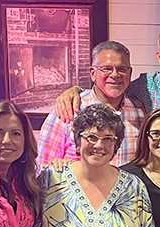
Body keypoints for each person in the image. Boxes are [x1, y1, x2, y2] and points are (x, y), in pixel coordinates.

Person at [37, 40, 146, 168]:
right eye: (107, 69)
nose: (115, 74)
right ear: (93, 74)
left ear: (130, 73)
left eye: (122, 69)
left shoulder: (139, 111)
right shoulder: (68, 109)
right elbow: (44, 168)